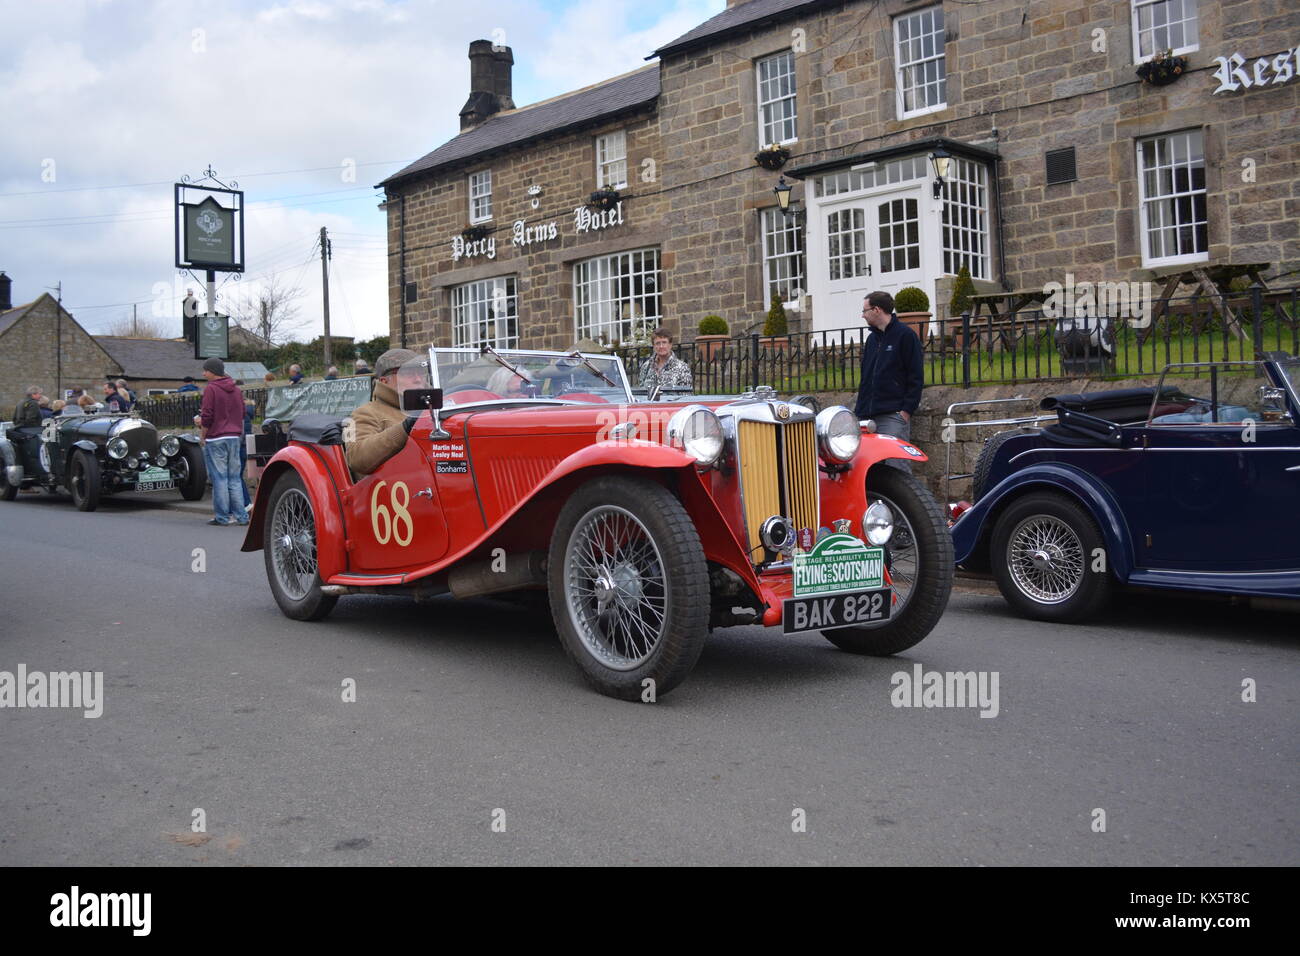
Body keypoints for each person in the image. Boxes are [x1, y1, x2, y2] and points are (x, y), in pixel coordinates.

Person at [854, 290, 924, 471]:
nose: (862, 315)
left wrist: (906, 411)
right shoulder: (871, 340)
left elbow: (916, 375)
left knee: (896, 467)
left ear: (877, 310)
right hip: (866, 416)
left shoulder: (905, 336)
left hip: (892, 415)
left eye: (865, 310)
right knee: (866, 467)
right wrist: (860, 410)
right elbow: (866, 377)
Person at [345, 348, 427, 477]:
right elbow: (356, 458)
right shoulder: (364, 413)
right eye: (408, 373)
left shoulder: (435, 408)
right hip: (393, 487)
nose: (418, 379)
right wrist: (404, 428)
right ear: (384, 381)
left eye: (421, 373)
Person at [198, 357, 249, 526]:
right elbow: (242, 413)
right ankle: (242, 517)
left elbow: (207, 416)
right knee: (234, 478)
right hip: (234, 437)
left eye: (205, 370)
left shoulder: (211, 389)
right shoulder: (236, 390)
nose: (203, 373)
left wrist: (203, 434)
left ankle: (222, 517)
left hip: (216, 437)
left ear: (212, 371)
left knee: (220, 479)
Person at [638, 327, 692, 394]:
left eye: (664, 342)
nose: (661, 346)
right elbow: (641, 393)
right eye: (657, 343)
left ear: (670, 344)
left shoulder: (682, 368)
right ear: (654, 346)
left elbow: (686, 397)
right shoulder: (646, 367)